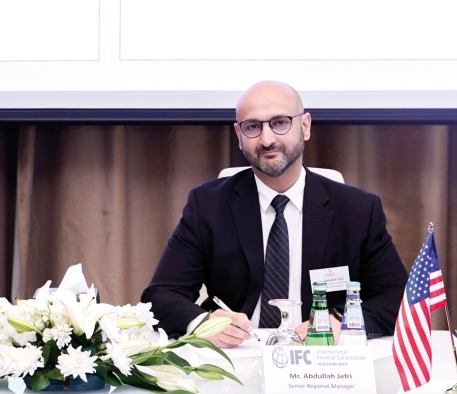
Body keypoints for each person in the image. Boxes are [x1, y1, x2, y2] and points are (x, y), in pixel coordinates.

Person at [141, 80, 407, 347]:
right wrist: (202, 323)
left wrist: (341, 321)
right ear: (239, 135)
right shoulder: (208, 205)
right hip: (239, 355)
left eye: (280, 123)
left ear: (305, 126)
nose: (267, 139)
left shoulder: (357, 210)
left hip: (322, 360)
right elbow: (161, 294)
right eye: (253, 127)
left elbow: (397, 298)